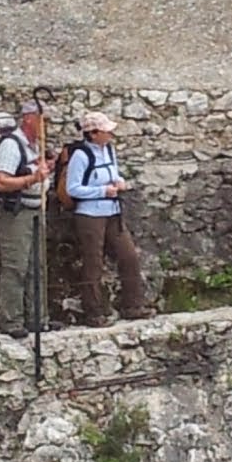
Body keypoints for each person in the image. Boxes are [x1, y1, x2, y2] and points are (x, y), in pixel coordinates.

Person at [64, 111, 153, 326]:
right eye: (107, 131)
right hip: (90, 215)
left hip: (113, 212)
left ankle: (133, 304)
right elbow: (72, 188)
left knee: (128, 255)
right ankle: (93, 312)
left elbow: (113, 174)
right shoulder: (81, 156)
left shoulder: (109, 151)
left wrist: (119, 182)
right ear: (93, 134)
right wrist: (102, 191)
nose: (111, 134)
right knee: (93, 262)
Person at [0, 100, 58, 339]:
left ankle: (38, 317)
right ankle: (11, 319)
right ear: (29, 118)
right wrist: (32, 179)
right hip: (17, 212)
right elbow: (1, 181)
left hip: (35, 209)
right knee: (16, 265)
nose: (45, 125)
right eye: (42, 119)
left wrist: (44, 171)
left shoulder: (34, 146)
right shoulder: (11, 145)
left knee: (37, 266)